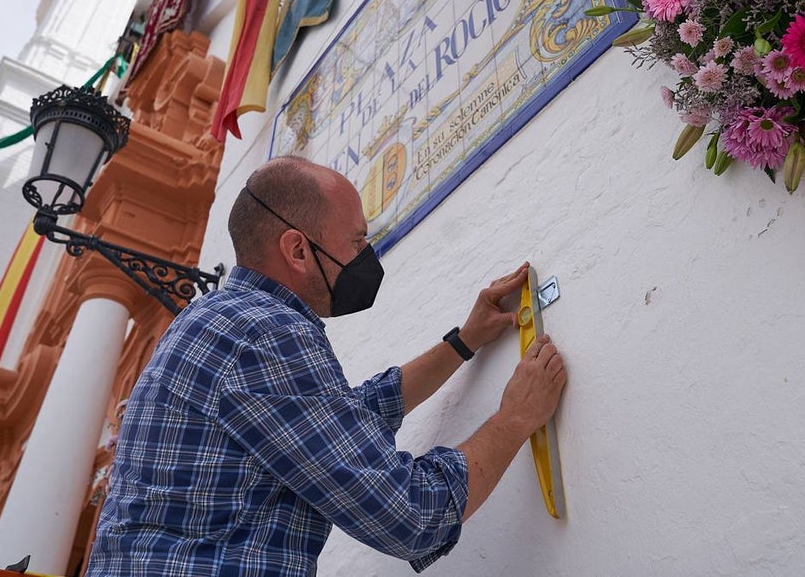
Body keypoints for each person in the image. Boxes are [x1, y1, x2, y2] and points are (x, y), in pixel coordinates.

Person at [86, 156, 567, 576]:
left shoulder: (219, 318)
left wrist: (463, 342)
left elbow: (345, 419)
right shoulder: (267, 331)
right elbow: (411, 517)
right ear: (297, 250)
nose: (366, 257)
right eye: (356, 241)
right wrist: (516, 416)